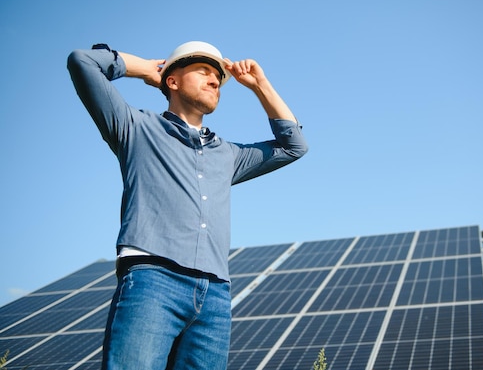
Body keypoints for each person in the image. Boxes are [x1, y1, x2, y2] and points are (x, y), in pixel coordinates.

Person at [67, 41, 308, 370]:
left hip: (216, 295)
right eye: (204, 72)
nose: (214, 81)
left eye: (218, 78)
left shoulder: (229, 155)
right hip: (152, 280)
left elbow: (294, 145)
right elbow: (83, 62)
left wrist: (260, 86)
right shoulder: (135, 127)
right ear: (172, 81)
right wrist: (146, 69)